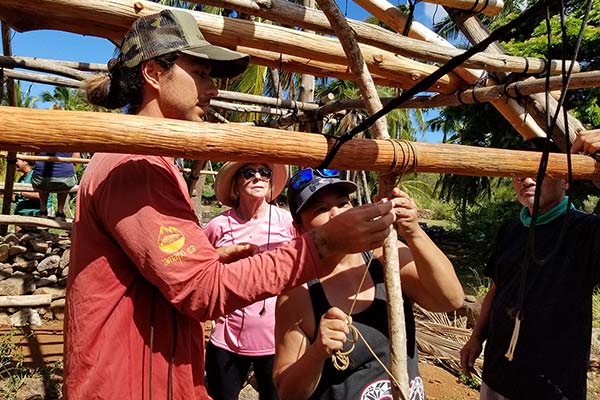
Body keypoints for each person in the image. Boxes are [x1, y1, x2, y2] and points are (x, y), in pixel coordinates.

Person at [66, 9, 400, 400]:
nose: (214, 89)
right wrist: (323, 244)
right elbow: (201, 292)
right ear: (154, 74)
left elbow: (171, 276)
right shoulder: (137, 166)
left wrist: (210, 260)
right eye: (202, 73)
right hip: (128, 384)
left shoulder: (150, 160)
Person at [273, 168, 464, 399]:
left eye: (343, 204)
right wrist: (316, 353)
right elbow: (287, 392)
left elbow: (450, 299)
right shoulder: (298, 292)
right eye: (321, 209)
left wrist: (413, 231)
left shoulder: (386, 256)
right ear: (300, 227)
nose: (338, 215)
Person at [460, 137, 600, 400]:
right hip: (498, 371)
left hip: (552, 383)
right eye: (519, 173)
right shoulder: (511, 229)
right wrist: (476, 337)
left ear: (566, 180)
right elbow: (496, 287)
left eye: (540, 171)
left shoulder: (587, 231)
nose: (527, 180)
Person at [204, 161, 292, 400]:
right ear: (235, 183)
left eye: (265, 172)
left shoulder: (287, 222)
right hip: (227, 337)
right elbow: (201, 269)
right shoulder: (218, 226)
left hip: (276, 336)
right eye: (248, 172)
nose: (258, 177)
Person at [31, 151, 78, 221]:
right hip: (65, 178)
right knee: (64, 180)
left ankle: (43, 210)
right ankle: (60, 212)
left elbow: (33, 157)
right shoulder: (73, 140)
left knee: (43, 182)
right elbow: (76, 159)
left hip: (41, 178)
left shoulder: (38, 139)